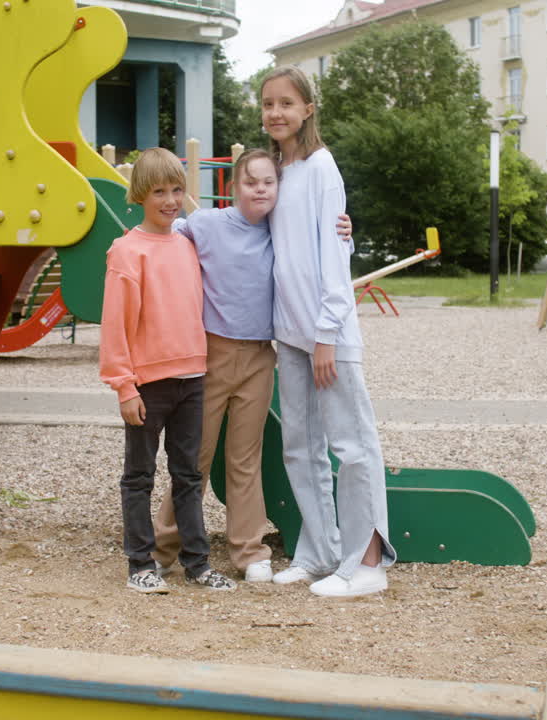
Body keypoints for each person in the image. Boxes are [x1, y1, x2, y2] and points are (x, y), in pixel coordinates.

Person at [150, 150, 355, 584]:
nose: (260, 189)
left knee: (245, 457)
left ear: (278, 190)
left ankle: (248, 550)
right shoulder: (206, 224)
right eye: (251, 182)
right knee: (195, 456)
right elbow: (164, 237)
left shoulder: (282, 231)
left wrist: (347, 233)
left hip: (261, 357)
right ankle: (164, 546)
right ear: (233, 188)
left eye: (268, 182)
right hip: (211, 356)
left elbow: (325, 252)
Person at [260, 65, 396, 598]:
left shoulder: (321, 168)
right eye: (268, 104)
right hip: (288, 331)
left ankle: (367, 564)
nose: (276, 113)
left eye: (286, 104)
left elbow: (334, 255)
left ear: (307, 109)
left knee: (352, 444)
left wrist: (326, 333)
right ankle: (317, 553)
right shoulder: (275, 170)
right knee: (300, 447)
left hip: (326, 332)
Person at [98, 147, 237, 594]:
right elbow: (116, 326)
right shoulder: (126, 251)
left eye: (177, 190)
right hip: (146, 383)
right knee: (139, 476)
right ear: (140, 195)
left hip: (192, 379)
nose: (170, 199)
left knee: (189, 476)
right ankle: (140, 563)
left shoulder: (187, 245)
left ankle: (197, 565)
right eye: (159, 191)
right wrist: (124, 386)